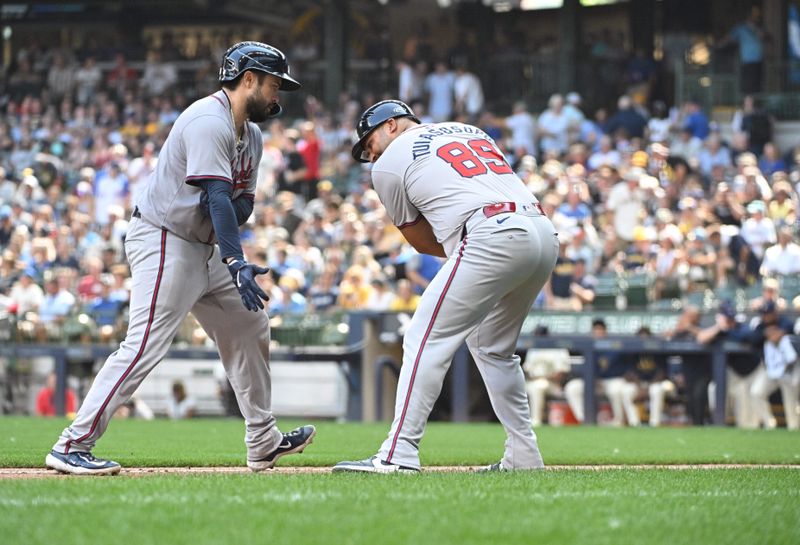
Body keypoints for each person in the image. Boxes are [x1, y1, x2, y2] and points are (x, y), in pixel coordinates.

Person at [45, 42, 316, 476]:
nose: (278, 95)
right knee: (145, 344)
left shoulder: (255, 136)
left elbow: (237, 205)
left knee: (248, 325)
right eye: (273, 84)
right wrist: (234, 258)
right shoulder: (208, 120)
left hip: (205, 247)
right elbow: (217, 197)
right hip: (164, 238)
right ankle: (72, 444)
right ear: (248, 79)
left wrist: (226, 236)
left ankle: (263, 441)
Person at [334, 100, 558, 473]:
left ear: (391, 125)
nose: (368, 153)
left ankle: (398, 453)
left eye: (368, 141)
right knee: (492, 349)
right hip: (542, 233)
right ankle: (524, 456)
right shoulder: (469, 129)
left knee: (423, 338)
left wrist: (476, 247)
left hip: (490, 232)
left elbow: (422, 241)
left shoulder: (388, 163)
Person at [564, 318, 639, 427]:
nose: (598, 332)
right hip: (594, 381)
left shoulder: (614, 345)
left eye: (601, 330)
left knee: (616, 390)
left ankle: (619, 421)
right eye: (596, 330)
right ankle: (583, 419)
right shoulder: (588, 346)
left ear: (605, 331)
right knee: (572, 387)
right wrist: (592, 379)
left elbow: (629, 365)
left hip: (613, 380)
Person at [751, 324, 799, 430]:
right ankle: (769, 424)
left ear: (781, 332)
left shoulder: (789, 341)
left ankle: (794, 427)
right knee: (756, 392)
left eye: (774, 332)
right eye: (769, 333)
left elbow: (794, 359)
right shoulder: (765, 344)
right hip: (771, 373)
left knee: (790, 400)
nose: (772, 335)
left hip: (789, 374)